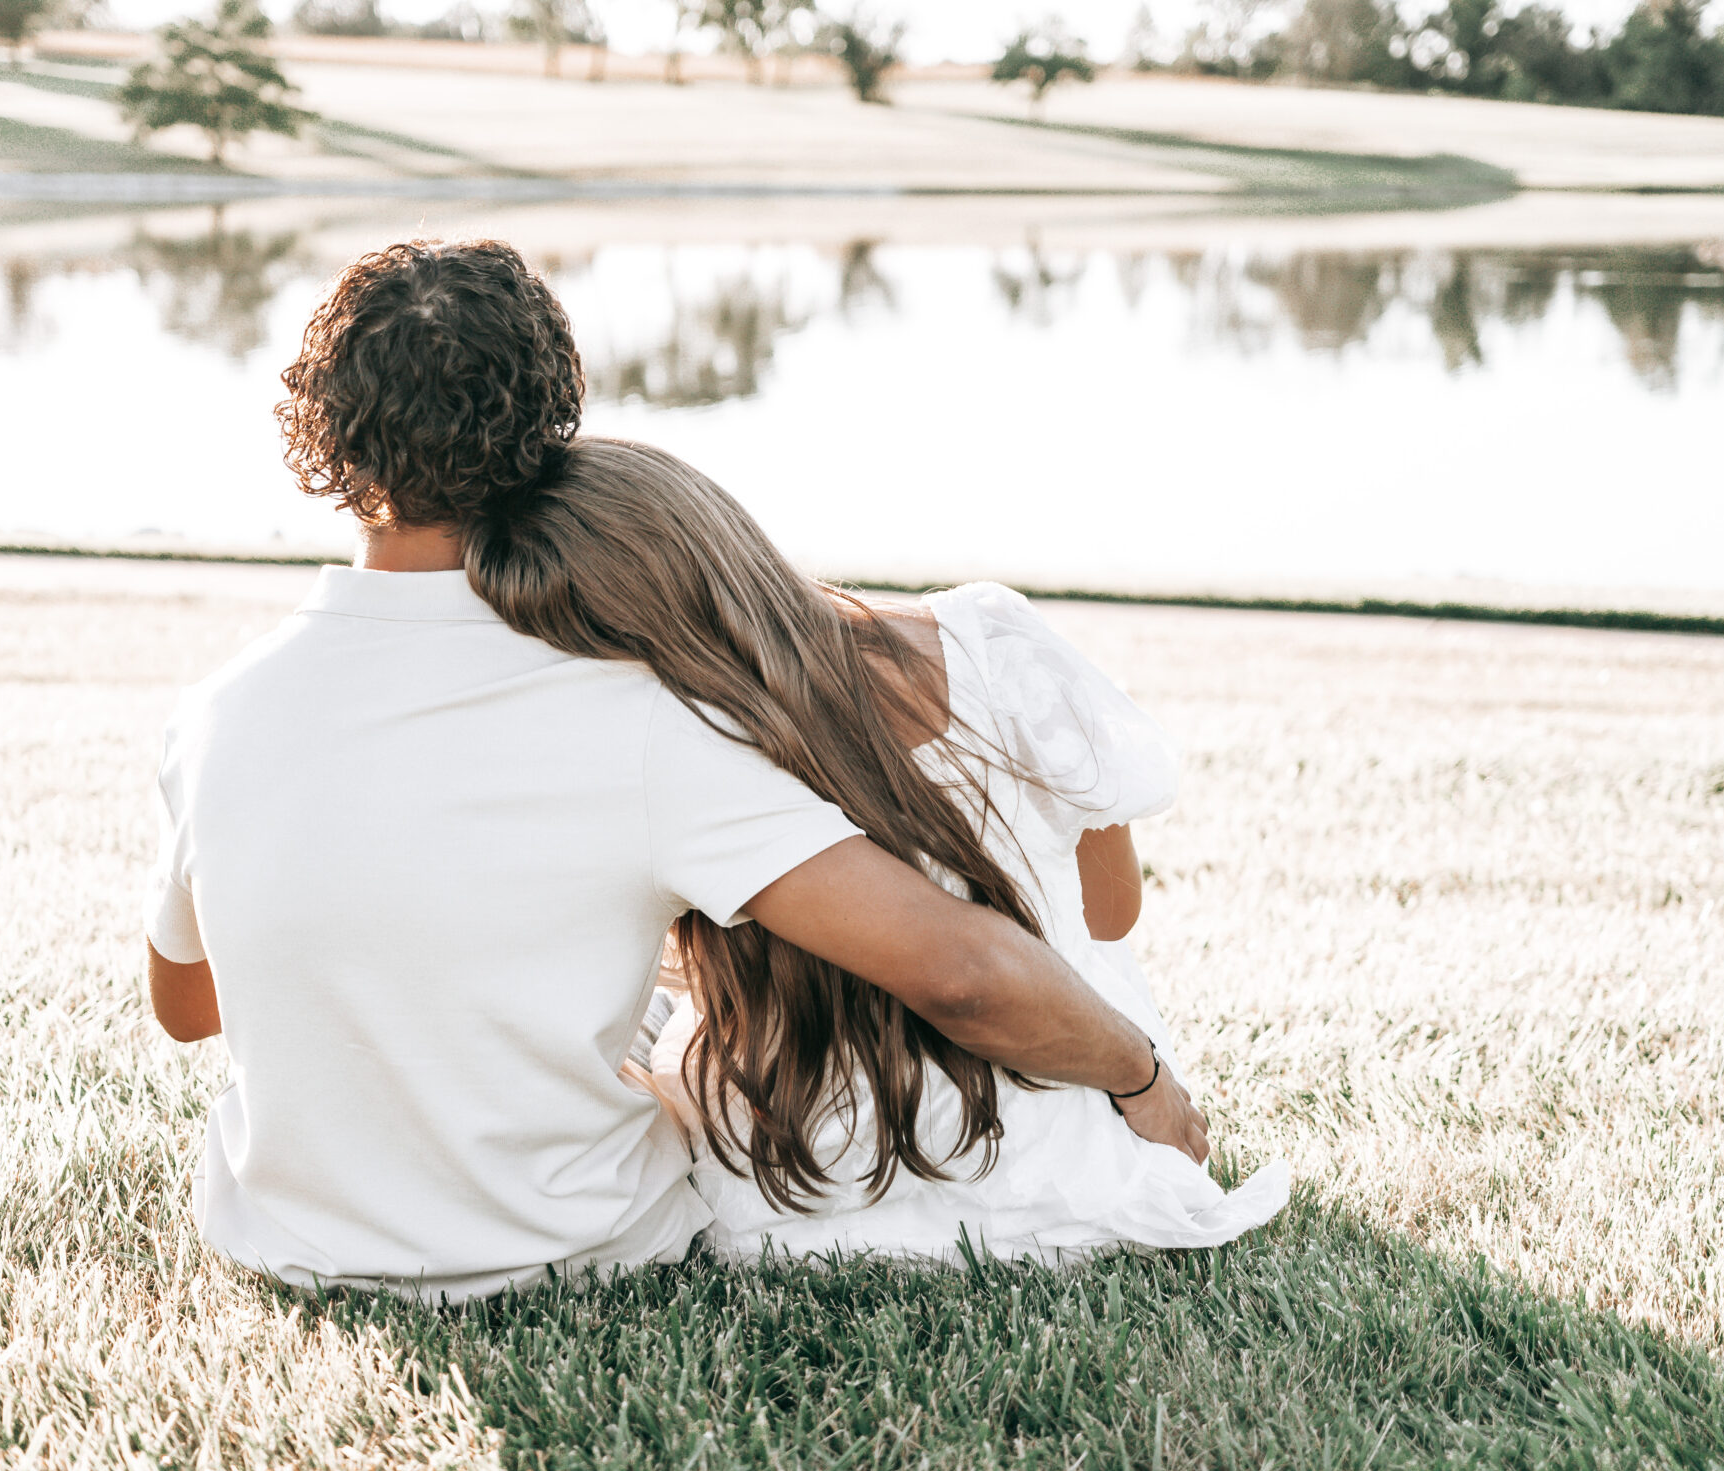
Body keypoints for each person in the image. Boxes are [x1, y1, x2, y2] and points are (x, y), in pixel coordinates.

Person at [142, 238, 1211, 1301]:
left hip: (286, 1241)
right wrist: (1141, 1075)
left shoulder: (215, 713)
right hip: (569, 1243)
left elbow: (190, 1008)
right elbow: (959, 972)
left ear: (325, 440)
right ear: (551, 433)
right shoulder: (634, 713)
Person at [468, 437, 1290, 1262]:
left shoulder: (671, 746)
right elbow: (1111, 915)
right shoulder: (986, 639)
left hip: (792, 1187)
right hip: (1046, 1163)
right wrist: (1140, 1077)